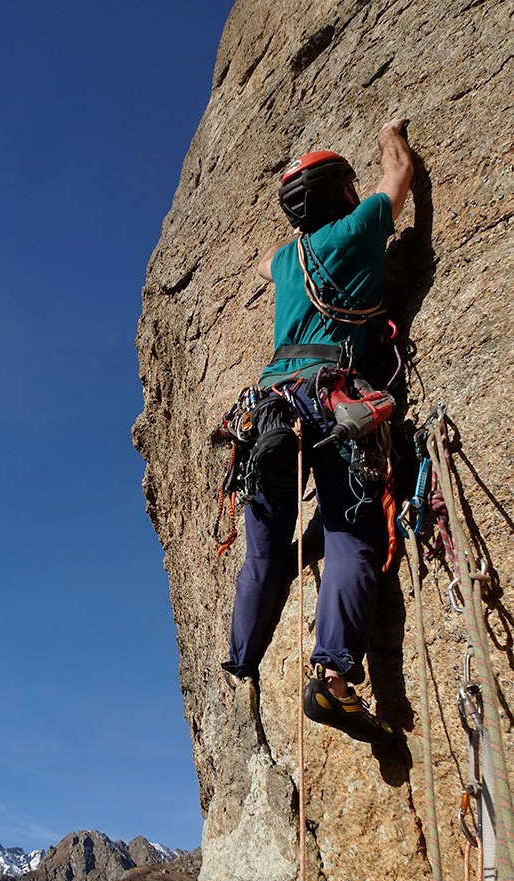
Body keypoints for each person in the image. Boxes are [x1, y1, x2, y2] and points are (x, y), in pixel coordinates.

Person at [222, 118, 414, 744]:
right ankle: (331, 679)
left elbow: (262, 265)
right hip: (332, 400)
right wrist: (390, 134)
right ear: (340, 195)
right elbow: (399, 176)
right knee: (352, 538)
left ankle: (242, 657)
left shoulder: (284, 260)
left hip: (270, 409)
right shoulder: (356, 231)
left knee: (264, 548)